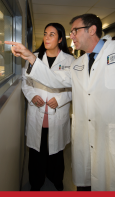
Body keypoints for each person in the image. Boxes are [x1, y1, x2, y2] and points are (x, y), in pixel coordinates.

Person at [5, 14, 115, 191]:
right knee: (88, 184)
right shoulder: (79, 64)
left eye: (75, 31)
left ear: (92, 30)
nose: (72, 36)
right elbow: (54, 79)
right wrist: (31, 57)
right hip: (88, 141)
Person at [22, 23, 75, 191]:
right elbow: (25, 82)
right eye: (45, 33)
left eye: (52, 34)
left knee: (56, 152)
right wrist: (32, 95)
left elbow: (76, 88)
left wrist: (60, 99)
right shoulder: (34, 57)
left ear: (60, 39)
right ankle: (36, 182)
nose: (47, 37)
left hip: (57, 112)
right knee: (36, 153)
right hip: (37, 111)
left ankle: (56, 179)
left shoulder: (70, 60)